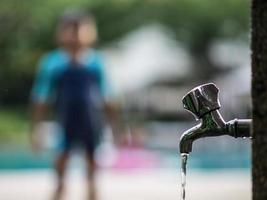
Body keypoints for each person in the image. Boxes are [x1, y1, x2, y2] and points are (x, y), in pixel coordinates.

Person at [30, 9, 111, 200]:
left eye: (79, 28)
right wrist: (36, 130)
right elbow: (40, 99)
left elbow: (108, 98)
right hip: (64, 126)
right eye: (70, 29)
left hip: (91, 126)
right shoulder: (52, 63)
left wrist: (115, 129)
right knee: (59, 180)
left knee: (92, 180)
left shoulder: (96, 63)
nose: (75, 34)